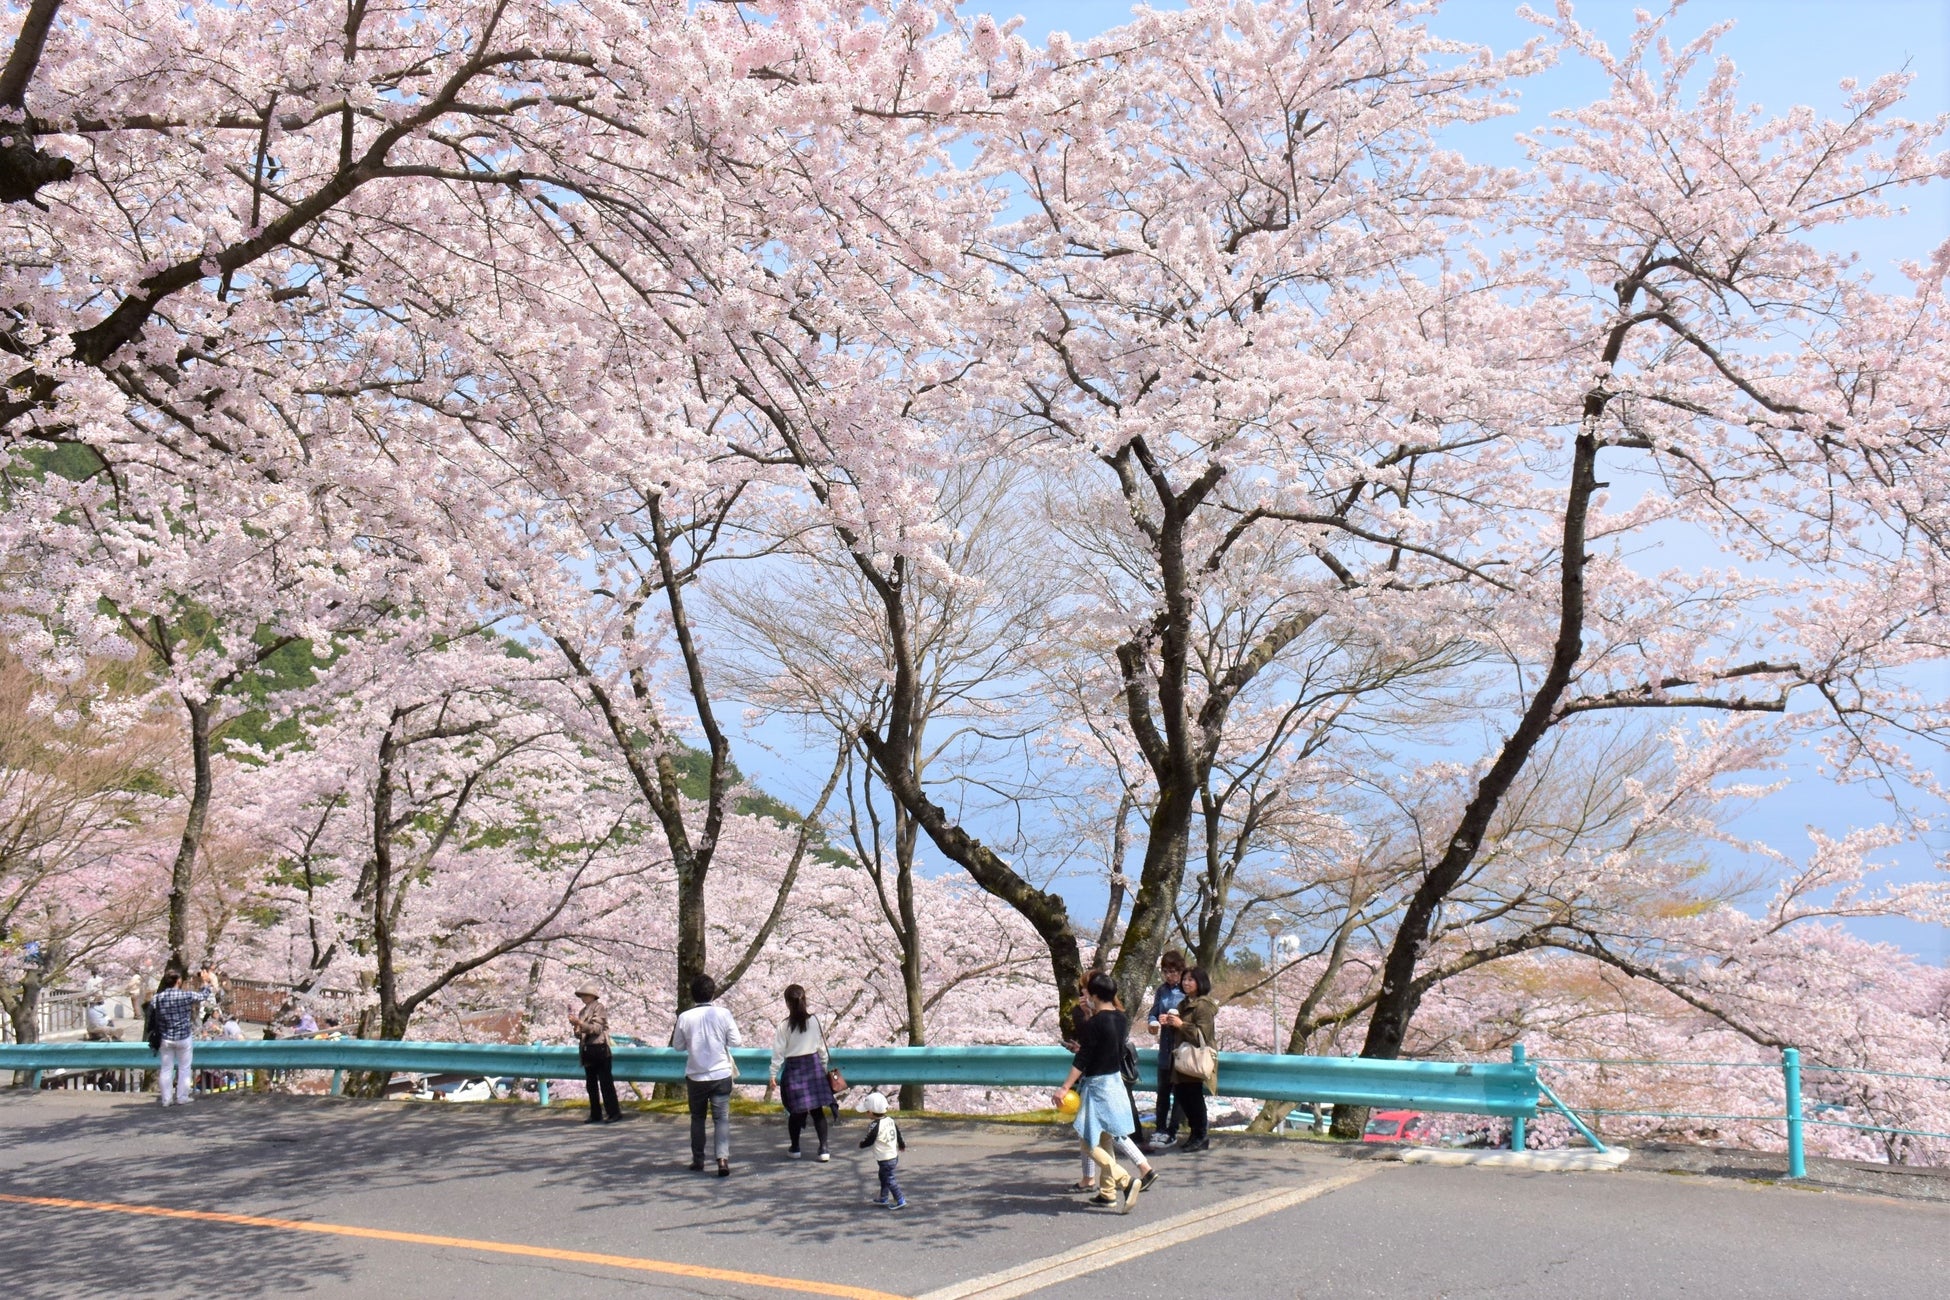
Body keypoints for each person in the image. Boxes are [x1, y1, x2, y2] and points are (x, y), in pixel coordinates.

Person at [1054, 971, 1156, 1213]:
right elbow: (1105, 1046)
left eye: (1088, 993)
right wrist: (1090, 1018)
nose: (1085, 996)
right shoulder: (1121, 1018)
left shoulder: (1095, 1023)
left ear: (1096, 995)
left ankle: (1125, 1181)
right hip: (1114, 1082)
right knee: (1105, 1137)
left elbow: (1083, 1057)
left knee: (1088, 1141)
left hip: (1097, 1086)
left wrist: (1065, 1087)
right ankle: (1107, 1193)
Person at [670, 973, 742, 1176]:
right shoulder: (723, 1014)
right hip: (720, 1073)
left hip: (696, 1075)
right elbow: (736, 1041)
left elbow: (677, 1046)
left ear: (693, 995)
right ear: (712, 994)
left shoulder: (684, 1017)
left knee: (698, 1118)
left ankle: (698, 1160)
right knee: (721, 1118)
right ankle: (722, 1159)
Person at [768, 984, 834, 1161]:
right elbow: (821, 1049)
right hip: (813, 1067)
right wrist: (823, 1068)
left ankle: (795, 1147)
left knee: (796, 1111)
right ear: (805, 999)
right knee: (817, 1110)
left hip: (794, 1068)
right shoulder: (814, 1021)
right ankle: (824, 1148)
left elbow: (778, 1052)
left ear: (787, 1003)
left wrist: (773, 1074)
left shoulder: (784, 1026)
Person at [1158, 965, 1218, 1152]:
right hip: (1182, 1057)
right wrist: (1168, 1022)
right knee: (1183, 1095)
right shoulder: (1184, 1003)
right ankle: (1194, 1135)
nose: (1186, 983)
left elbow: (1203, 1033)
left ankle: (1201, 1135)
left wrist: (1181, 1024)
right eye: (1184, 979)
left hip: (1194, 1057)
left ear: (1200, 982)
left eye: (1190, 980)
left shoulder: (1203, 1006)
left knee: (1193, 1097)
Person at [152, 970, 212, 1107]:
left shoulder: (158, 998)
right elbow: (204, 995)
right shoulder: (185, 995)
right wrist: (205, 982)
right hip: (183, 1037)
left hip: (165, 1038)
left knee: (166, 1068)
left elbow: (152, 1013)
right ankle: (182, 1097)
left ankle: (166, 1099)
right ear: (178, 981)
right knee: (184, 1068)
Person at [1147, 950, 1187, 1145]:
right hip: (1165, 1048)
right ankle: (1159, 1129)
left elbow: (1194, 1018)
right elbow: (1153, 1013)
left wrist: (1178, 1020)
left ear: (1181, 971)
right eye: (1165, 971)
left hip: (1182, 1048)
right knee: (1162, 1091)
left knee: (1179, 1092)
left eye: (1173, 971)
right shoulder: (1161, 990)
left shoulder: (1187, 990)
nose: (1169, 975)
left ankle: (1172, 1131)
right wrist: (1155, 1022)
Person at [569, 985, 621, 1124]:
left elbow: (597, 1029)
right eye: (582, 995)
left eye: (586, 995)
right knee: (590, 1084)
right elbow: (581, 1034)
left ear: (593, 996)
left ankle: (613, 1112)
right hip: (587, 1050)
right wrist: (576, 1028)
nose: (583, 998)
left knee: (606, 1083)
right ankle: (595, 1113)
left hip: (600, 1049)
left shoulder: (599, 1008)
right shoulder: (582, 1012)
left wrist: (579, 1023)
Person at [858, 1091, 906, 1209]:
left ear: (870, 1112)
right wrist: (901, 1144)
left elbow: (870, 1139)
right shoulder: (890, 1120)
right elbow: (898, 1133)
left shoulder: (875, 1125)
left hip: (885, 1158)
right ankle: (883, 1197)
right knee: (883, 1176)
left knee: (889, 1179)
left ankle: (900, 1199)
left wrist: (862, 1144)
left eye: (866, 1111)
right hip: (893, 1156)